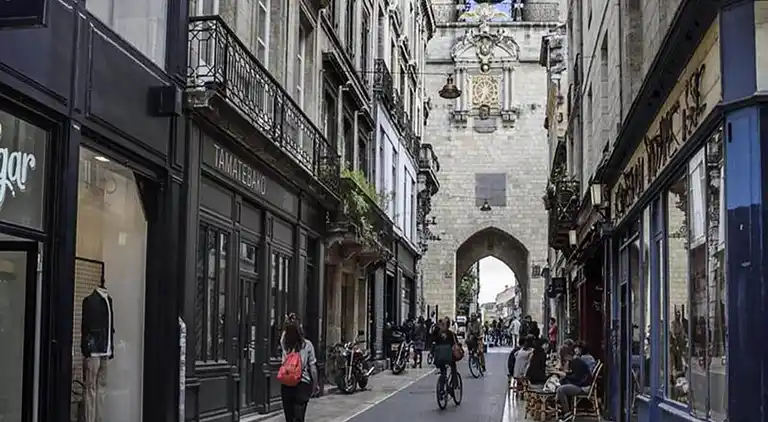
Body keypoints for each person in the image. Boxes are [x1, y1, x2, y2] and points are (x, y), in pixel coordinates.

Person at [280, 315, 318, 422]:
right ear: (300, 329)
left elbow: (283, 334)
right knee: (299, 417)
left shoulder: (285, 344)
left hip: (287, 384)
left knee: (289, 417)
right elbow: (313, 367)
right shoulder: (307, 345)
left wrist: (288, 322)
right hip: (302, 384)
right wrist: (315, 384)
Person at [552, 346, 592, 422]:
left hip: (583, 387)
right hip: (581, 384)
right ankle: (564, 410)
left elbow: (576, 377)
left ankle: (567, 413)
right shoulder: (575, 361)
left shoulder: (576, 362)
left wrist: (565, 375)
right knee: (561, 384)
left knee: (560, 390)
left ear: (566, 356)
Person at [433, 317, 460, 389]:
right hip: (449, 357)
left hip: (439, 358)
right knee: (453, 366)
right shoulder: (451, 334)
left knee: (443, 372)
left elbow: (433, 341)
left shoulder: (437, 334)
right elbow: (456, 344)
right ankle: (455, 383)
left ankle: (441, 389)